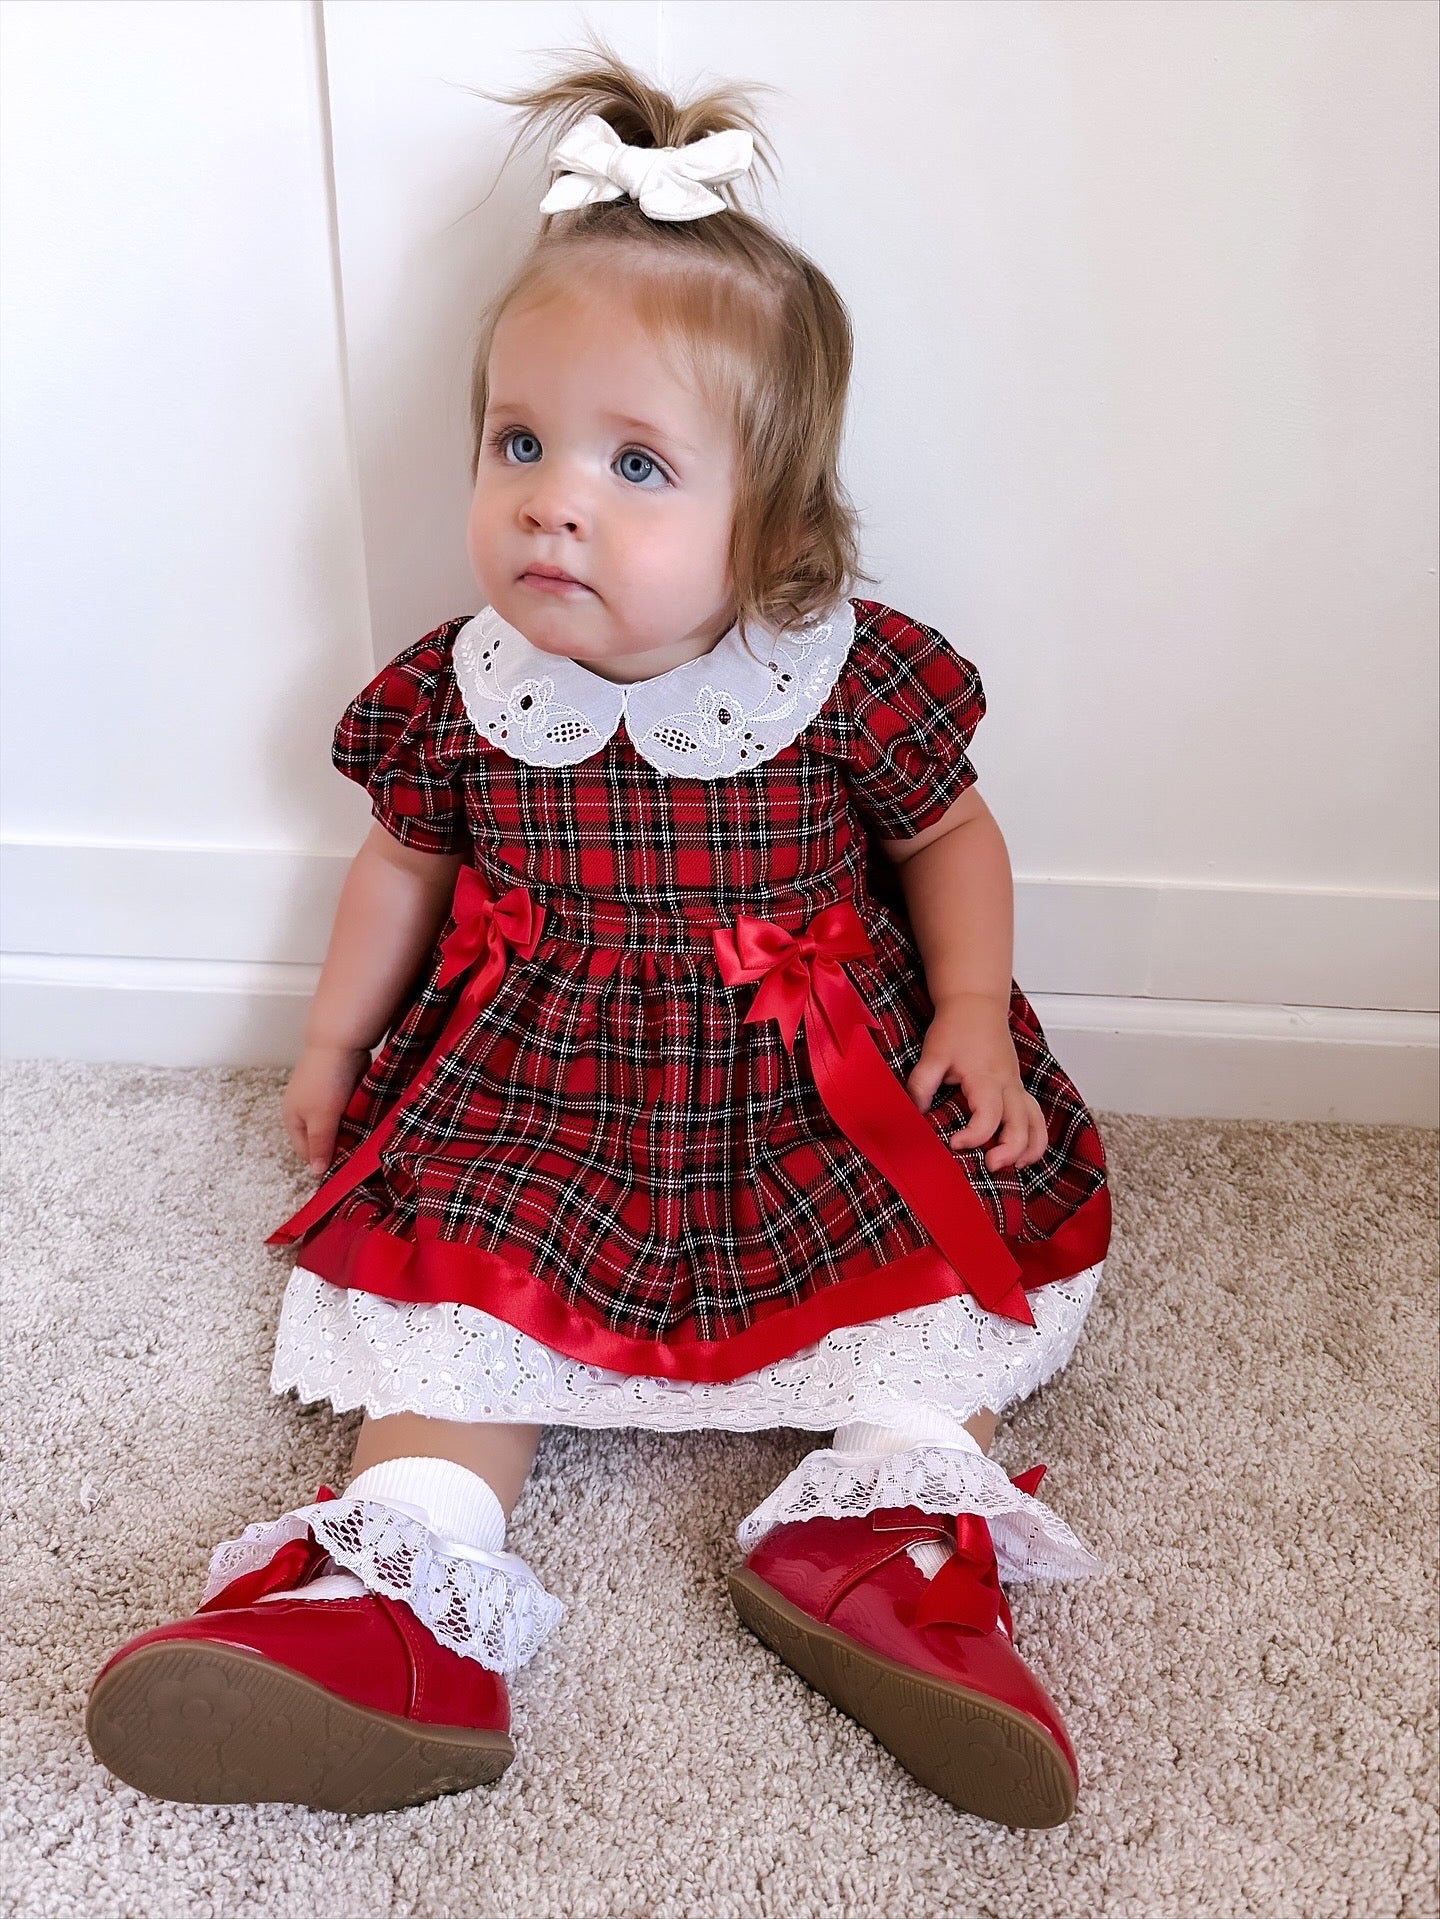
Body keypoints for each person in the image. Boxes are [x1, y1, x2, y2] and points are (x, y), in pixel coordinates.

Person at [84, 47, 1111, 1830]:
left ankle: (895, 1542)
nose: (555, 498)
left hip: (809, 1076)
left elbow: (948, 832)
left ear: (773, 523)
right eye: (521, 443)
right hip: (538, 1077)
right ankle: (396, 1589)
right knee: (454, 1287)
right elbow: (400, 868)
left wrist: (966, 1010)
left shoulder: (842, 678)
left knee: (928, 1280)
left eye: (638, 463)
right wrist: (333, 1046)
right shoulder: (462, 692)